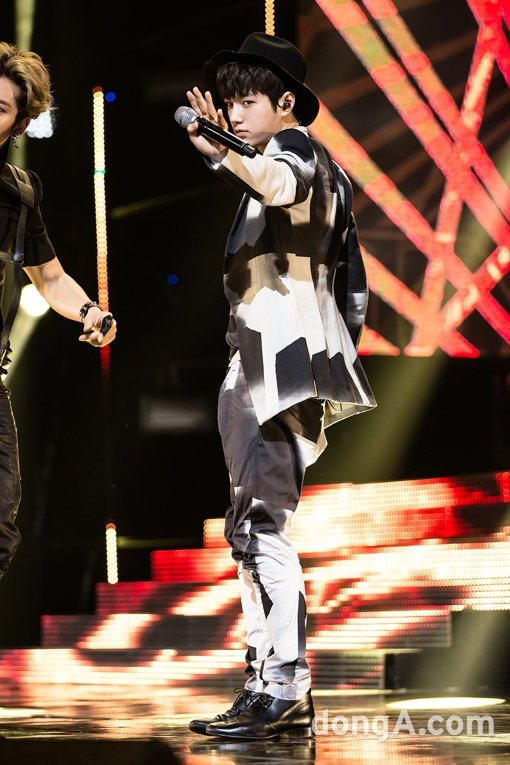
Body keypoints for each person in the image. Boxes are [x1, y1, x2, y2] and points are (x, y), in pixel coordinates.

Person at [182, 32, 376, 740]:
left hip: (277, 366)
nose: (234, 113)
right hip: (278, 364)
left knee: (261, 526)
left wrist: (221, 148)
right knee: (249, 528)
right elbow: (353, 291)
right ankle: (267, 681)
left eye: (246, 101)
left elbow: (277, 181)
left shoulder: (298, 154)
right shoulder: (306, 167)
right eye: (227, 103)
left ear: (286, 103)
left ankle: (285, 685)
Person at [0, 42, 117, 582]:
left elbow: (49, 277)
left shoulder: (17, 195)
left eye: (0, 107)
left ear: (18, 124)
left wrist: (90, 311)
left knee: (1, 524)